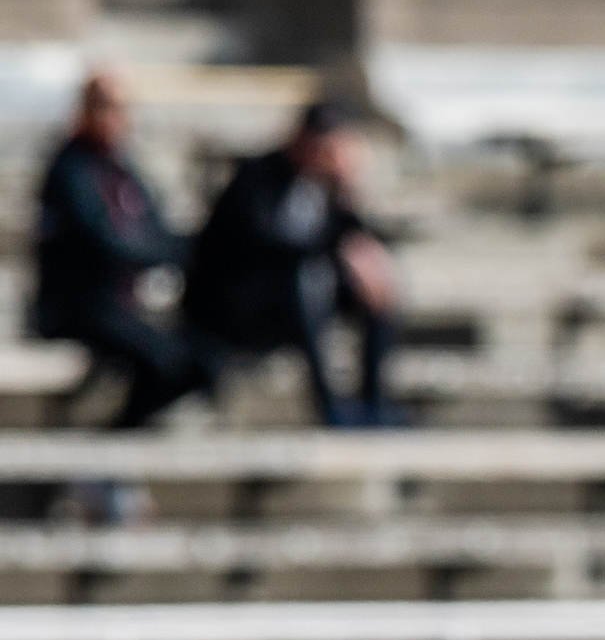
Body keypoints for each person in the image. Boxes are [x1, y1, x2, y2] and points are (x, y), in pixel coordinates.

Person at [182, 101, 403, 428]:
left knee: (376, 280)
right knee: (304, 280)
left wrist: (347, 189)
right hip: (237, 303)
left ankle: (374, 404)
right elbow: (267, 244)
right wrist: (336, 251)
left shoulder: (321, 182)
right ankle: (329, 408)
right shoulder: (256, 175)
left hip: (298, 301)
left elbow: (348, 233)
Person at [31, 70, 209, 429]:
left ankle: (121, 429)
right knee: (166, 360)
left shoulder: (121, 167)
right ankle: (114, 434)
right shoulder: (71, 168)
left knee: (204, 358)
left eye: (119, 107)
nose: (113, 117)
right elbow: (102, 239)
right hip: (80, 304)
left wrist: (191, 252)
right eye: (104, 106)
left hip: (122, 305)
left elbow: (154, 226)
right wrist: (164, 254)